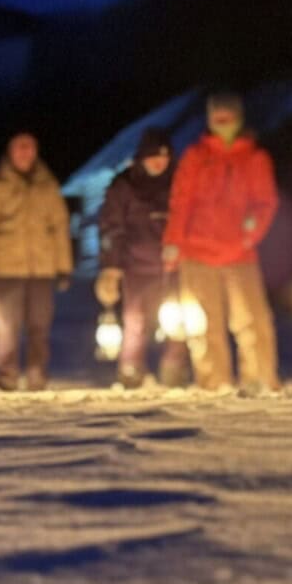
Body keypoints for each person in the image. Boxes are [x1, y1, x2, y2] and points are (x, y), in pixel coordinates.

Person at [161, 92, 281, 392]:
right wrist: (173, 243)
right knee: (202, 325)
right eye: (217, 114)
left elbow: (265, 202)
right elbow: (180, 202)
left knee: (253, 321)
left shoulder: (254, 157)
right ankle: (213, 383)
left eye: (228, 113)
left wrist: (249, 234)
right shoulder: (195, 157)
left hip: (240, 254)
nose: (222, 119)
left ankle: (259, 380)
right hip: (196, 252)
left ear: (239, 117)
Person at [0, 131, 73, 392]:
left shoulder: (47, 186)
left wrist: (63, 267)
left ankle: (37, 371)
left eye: (30, 148)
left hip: (41, 268)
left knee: (40, 325)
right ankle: (7, 372)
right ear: (10, 151)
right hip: (6, 268)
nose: (25, 153)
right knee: (8, 325)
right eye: (20, 147)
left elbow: (60, 227)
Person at [95, 127, 190, 390]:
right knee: (135, 320)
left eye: (164, 156)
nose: (158, 162)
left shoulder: (180, 183)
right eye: (152, 156)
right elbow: (111, 226)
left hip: (173, 268)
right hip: (135, 266)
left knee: (177, 319)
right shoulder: (124, 185)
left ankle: (175, 368)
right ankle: (131, 368)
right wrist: (111, 266)